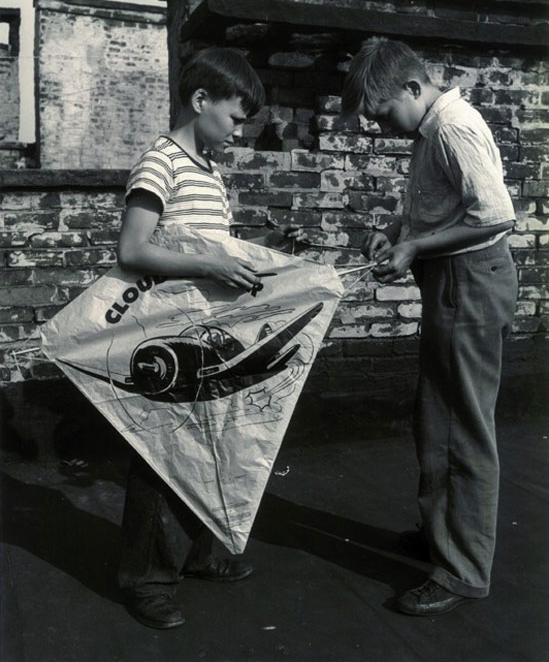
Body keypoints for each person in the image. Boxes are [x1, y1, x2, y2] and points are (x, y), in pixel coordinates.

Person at [116, 47, 306, 629]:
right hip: (167, 331)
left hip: (204, 329)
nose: (240, 130)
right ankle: (145, 580)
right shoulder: (160, 163)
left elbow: (210, 247)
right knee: (161, 451)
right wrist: (210, 269)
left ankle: (194, 554)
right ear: (200, 102)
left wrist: (254, 257)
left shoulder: (209, 172)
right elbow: (134, 250)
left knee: (203, 444)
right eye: (234, 117)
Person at [341, 37, 517, 616]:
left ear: (414, 89)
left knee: (462, 426)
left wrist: (414, 245)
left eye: (385, 111)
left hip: (469, 280)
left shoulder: (451, 128)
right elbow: (441, 204)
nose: (383, 126)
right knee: (436, 418)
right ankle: (445, 537)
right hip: (451, 280)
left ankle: (463, 570)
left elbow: (494, 215)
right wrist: (397, 233)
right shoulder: (430, 128)